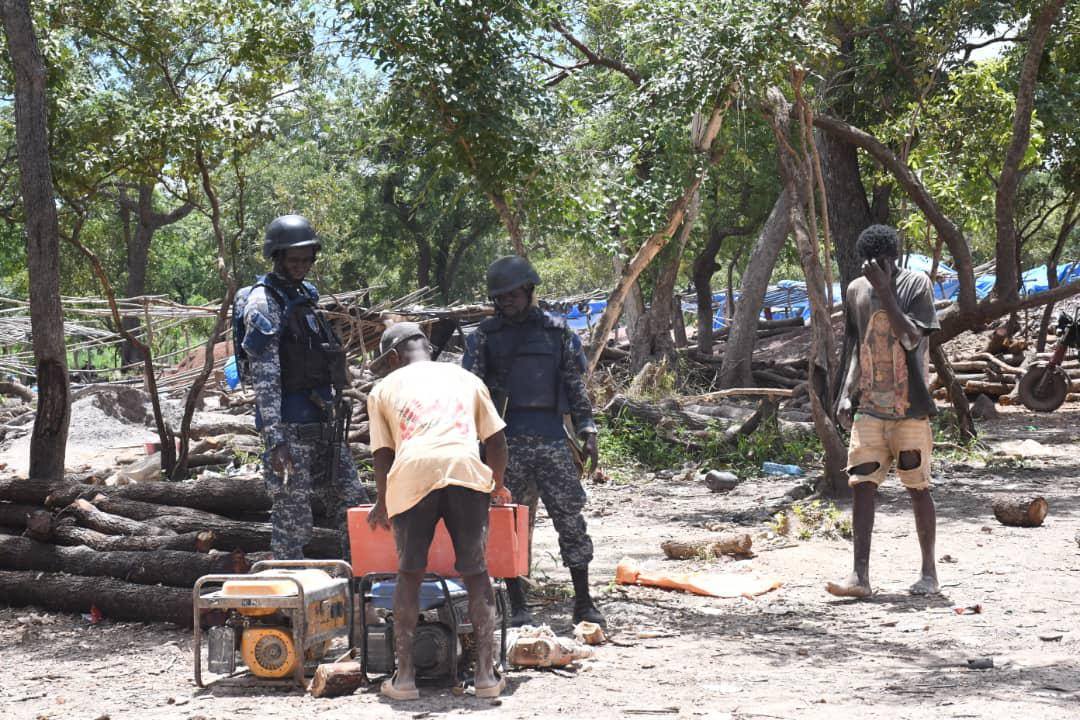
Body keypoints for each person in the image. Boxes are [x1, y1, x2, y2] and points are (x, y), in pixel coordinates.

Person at [367, 322, 510, 700]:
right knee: (476, 571)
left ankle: (405, 679)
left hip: (412, 472)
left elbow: (383, 455)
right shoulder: (465, 378)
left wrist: (383, 501)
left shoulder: (382, 389)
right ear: (427, 348)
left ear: (394, 357)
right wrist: (493, 486)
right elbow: (496, 441)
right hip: (465, 468)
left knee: (410, 573)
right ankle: (485, 675)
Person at [462, 255, 605, 628]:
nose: (505, 302)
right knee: (507, 524)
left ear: (528, 290)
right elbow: (471, 394)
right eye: (499, 297)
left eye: (511, 294)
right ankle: (517, 605)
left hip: (552, 438)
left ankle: (584, 602)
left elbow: (575, 386)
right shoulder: (483, 338)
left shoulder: (558, 333)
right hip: (503, 443)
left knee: (570, 520)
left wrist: (588, 429)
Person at [241, 214, 367, 559]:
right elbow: (265, 378)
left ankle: (360, 589)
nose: (300, 266)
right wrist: (275, 440)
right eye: (293, 259)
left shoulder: (306, 300)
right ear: (277, 257)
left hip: (326, 425)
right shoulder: (264, 303)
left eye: (306, 259)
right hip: (291, 430)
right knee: (292, 521)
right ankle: (286, 597)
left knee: (354, 504)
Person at [828, 224, 940, 599]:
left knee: (917, 487)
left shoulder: (915, 286)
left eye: (884, 262)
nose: (877, 268)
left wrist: (887, 293)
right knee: (861, 485)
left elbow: (911, 338)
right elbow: (856, 346)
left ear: (895, 259)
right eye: (870, 263)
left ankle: (929, 573)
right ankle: (860, 577)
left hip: (910, 408)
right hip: (870, 408)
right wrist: (846, 393)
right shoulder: (855, 291)